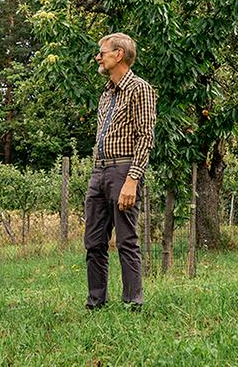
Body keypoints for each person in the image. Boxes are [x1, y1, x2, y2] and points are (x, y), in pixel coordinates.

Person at [85, 33, 157, 311]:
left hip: (124, 169)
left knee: (126, 240)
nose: (98, 57)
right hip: (99, 170)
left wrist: (132, 179)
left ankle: (132, 303)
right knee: (94, 242)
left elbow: (145, 137)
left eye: (102, 52)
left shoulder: (140, 89)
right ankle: (96, 303)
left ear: (119, 54)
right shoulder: (106, 94)